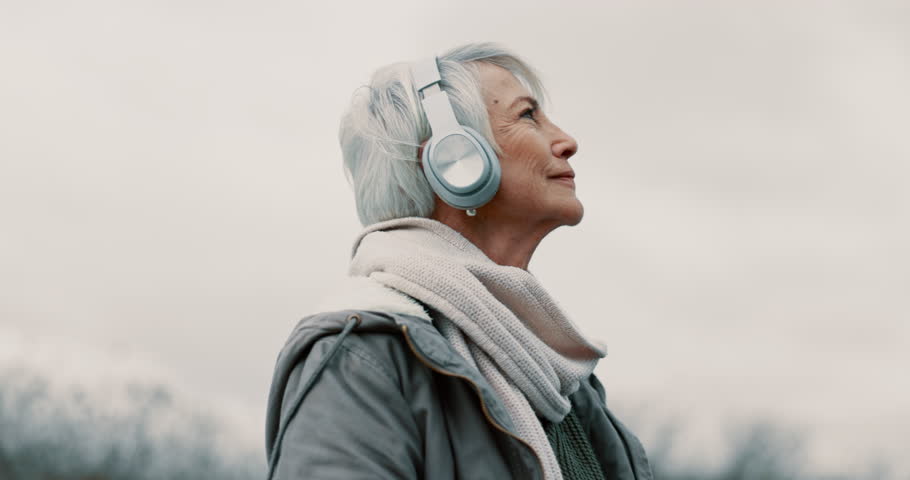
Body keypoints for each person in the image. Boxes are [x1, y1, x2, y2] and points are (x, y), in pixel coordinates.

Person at [264, 43, 653, 480]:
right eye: (528, 115)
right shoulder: (360, 358)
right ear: (453, 161)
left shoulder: (558, 380)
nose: (567, 141)